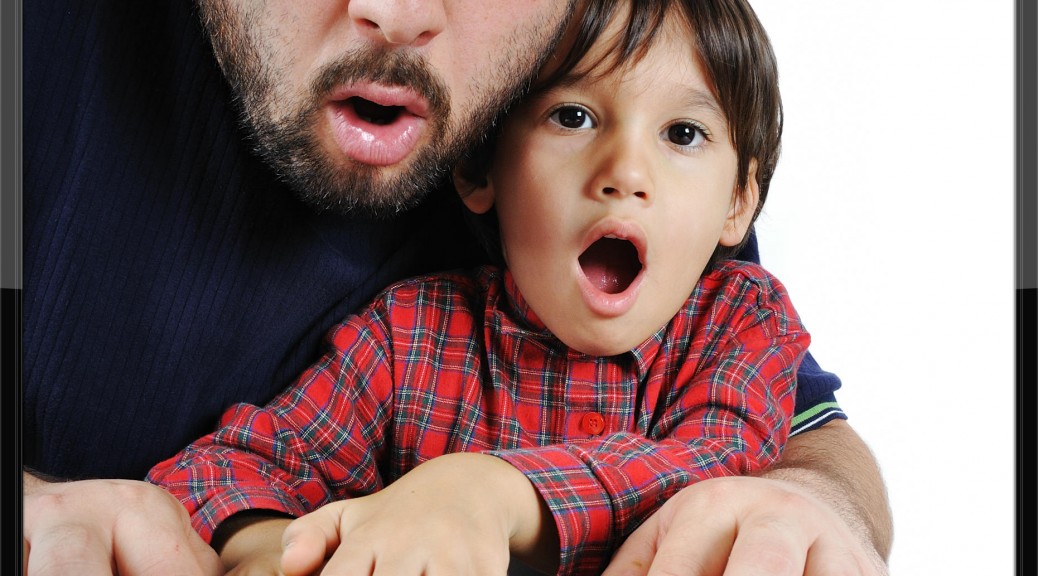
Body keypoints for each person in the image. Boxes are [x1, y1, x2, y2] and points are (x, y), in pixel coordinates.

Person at [21, 0, 891, 574]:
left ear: (742, 199)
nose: (627, 173)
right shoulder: (411, 335)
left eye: (683, 135)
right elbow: (238, 467)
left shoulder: (727, 307)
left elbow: (751, 452)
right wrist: (281, 549)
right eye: (574, 118)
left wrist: (484, 493)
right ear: (485, 175)